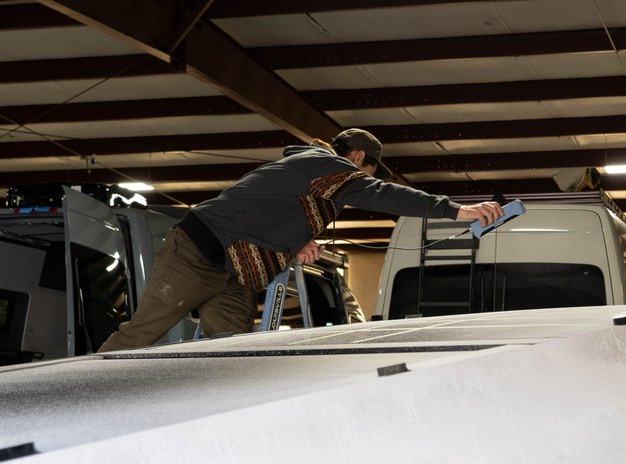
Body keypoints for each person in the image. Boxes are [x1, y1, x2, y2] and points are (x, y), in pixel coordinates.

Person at [97, 128, 502, 352]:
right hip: (197, 251)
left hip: (234, 267)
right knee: (145, 331)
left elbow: (268, 209)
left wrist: (295, 243)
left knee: (228, 347)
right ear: (358, 158)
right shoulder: (321, 163)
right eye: (369, 172)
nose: (367, 181)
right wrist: (456, 210)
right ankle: (77, 389)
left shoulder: (307, 175)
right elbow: (380, 194)